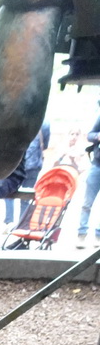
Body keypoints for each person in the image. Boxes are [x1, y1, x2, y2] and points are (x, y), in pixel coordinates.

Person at [3, 121, 50, 228]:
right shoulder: (44, 123)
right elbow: (45, 145)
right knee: (26, 196)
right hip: (33, 164)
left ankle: (9, 222)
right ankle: (21, 224)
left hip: (15, 163)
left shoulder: (18, 118)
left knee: (8, 191)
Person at [76, 104, 100, 248]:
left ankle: (99, 236)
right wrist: (97, 136)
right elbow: (90, 135)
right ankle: (81, 235)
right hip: (97, 165)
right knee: (87, 203)